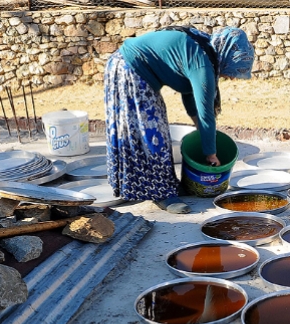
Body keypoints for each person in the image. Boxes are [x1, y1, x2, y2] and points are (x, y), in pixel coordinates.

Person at [104, 26, 254, 214]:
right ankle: (161, 193)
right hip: (129, 69)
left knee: (148, 131)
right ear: (228, 56)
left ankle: (161, 184)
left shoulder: (204, 50)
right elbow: (205, 112)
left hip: (126, 66)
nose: (232, 77)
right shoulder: (203, 64)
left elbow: (190, 96)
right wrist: (211, 154)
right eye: (235, 70)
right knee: (152, 134)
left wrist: (202, 132)